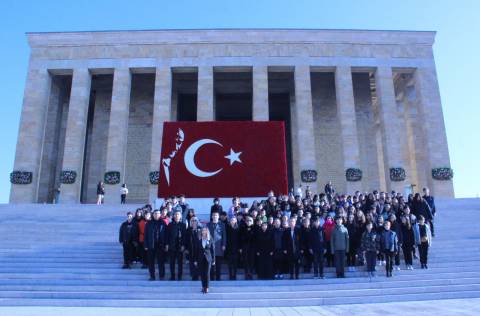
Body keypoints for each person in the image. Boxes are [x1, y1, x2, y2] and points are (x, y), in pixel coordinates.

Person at [144, 210, 167, 280]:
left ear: (160, 214)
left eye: (158, 213)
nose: (157, 215)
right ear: (153, 215)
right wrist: (145, 245)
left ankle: (162, 276)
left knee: (161, 262)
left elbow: (166, 234)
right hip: (151, 245)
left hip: (160, 245)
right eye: (155, 213)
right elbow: (146, 235)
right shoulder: (148, 223)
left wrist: (166, 244)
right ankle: (152, 276)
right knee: (151, 262)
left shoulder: (163, 223)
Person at [193, 227, 215, 294]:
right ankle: (203, 287)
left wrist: (213, 259)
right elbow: (196, 250)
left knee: (207, 273)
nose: (204, 232)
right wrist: (195, 260)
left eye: (205, 230)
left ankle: (207, 287)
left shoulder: (210, 239)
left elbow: (212, 250)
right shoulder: (199, 239)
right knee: (202, 273)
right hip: (200, 258)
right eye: (203, 230)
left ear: (207, 231)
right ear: (201, 232)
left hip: (208, 259)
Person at [167, 210, 186, 280]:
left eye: (178, 214)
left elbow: (185, 236)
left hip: (180, 246)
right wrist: (167, 244)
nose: (177, 216)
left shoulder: (183, 225)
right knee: (172, 262)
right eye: (176, 214)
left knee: (180, 263)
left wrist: (183, 245)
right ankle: (172, 276)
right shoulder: (170, 225)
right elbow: (167, 235)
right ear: (173, 216)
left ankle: (180, 276)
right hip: (172, 246)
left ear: (180, 216)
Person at [207, 211, 226, 281]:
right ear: (212, 216)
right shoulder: (208, 225)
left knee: (218, 265)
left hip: (219, 247)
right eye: (213, 215)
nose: (215, 216)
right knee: (211, 265)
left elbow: (224, 235)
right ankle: (211, 278)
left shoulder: (222, 225)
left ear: (218, 216)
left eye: (216, 215)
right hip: (210, 247)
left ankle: (218, 278)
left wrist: (224, 244)